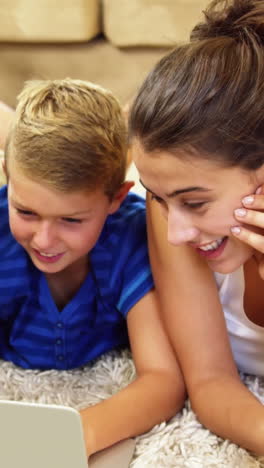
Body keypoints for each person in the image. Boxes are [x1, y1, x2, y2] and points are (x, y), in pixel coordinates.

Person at [0, 78, 185, 456]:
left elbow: (164, 382)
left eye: (71, 220)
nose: (44, 240)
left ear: (117, 197)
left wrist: (62, 443)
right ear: (6, 175)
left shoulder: (132, 237)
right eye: (27, 212)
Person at [128, 0, 264, 456]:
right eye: (163, 200)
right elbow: (209, 382)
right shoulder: (167, 207)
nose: (175, 233)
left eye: (196, 203)